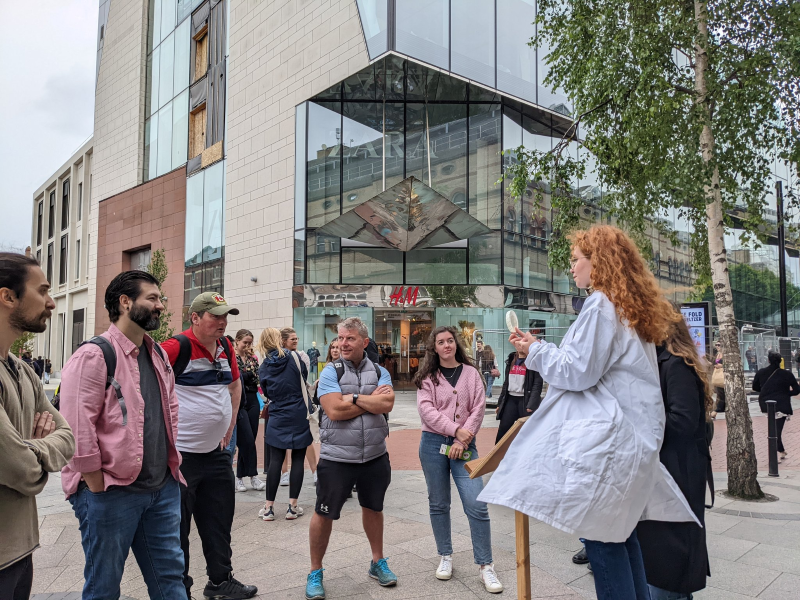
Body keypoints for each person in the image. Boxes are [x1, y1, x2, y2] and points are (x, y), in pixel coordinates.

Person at [479, 225, 698, 600]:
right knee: (621, 536)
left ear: (599, 262)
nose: (572, 268)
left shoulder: (601, 303)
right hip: (633, 442)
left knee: (603, 541)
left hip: (609, 446)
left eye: (577, 260)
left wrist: (535, 350)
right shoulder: (629, 307)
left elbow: (577, 370)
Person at [60, 271, 185, 598]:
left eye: (161, 299)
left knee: (171, 579)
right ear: (125, 302)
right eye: (153, 298)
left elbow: (169, 408)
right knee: (104, 586)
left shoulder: (157, 353)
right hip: (112, 493)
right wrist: (96, 484)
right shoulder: (94, 354)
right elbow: (75, 427)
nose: (160, 305)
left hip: (161, 488)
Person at [161, 292, 257, 600]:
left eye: (225, 316)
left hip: (216, 455)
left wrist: (228, 425)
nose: (223, 322)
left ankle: (220, 581)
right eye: (215, 316)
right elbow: (142, 386)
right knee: (178, 531)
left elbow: (234, 384)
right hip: (181, 458)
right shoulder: (177, 347)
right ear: (195, 318)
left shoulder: (226, 345)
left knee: (218, 522)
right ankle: (180, 590)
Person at [0, 253, 74, 599]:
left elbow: (67, 436)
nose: (51, 302)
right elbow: (21, 469)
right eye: (42, 290)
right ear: (8, 296)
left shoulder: (23, 370)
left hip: (21, 550)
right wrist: (33, 454)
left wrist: (27, 447)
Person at [306, 317, 396, 600]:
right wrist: (368, 401)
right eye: (340, 338)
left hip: (374, 455)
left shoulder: (381, 371)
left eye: (350, 338)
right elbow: (333, 411)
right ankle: (315, 571)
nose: (343, 343)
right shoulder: (330, 371)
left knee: (373, 508)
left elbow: (388, 403)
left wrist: (352, 398)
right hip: (336, 458)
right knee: (324, 513)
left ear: (364, 342)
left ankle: (377, 561)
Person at [414, 326, 504, 592]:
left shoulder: (471, 373)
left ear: (457, 344)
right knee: (438, 502)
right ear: (435, 347)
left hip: (465, 446)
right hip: (432, 445)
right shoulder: (427, 376)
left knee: (476, 503)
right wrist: (454, 430)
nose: (446, 345)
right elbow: (426, 410)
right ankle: (445, 555)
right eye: (441, 342)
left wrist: (460, 440)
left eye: (450, 341)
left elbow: (477, 409)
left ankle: (486, 565)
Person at [636, 314, 713, 599]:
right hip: (667, 472)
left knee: (669, 565)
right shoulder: (659, 359)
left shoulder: (675, 361)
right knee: (663, 562)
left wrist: (637, 419)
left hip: (677, 475)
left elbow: (682, 420)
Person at [256, 328, 311, 521]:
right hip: (297, 412)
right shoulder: (294, 358)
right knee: (298, 458)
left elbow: (266, 391)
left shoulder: (263, 366)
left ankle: (269, 507)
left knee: (275, 461)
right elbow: (303, 378)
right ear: (278, 340)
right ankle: (292, 506)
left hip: (277, 413)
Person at [233, 329, 265, 493]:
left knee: (250, 438)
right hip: (239, 400)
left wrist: (246, 376)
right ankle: (251, 476)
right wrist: (246, 375)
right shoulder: (232, 357)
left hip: (252, 399)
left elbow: (256, 377)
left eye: (249, 343)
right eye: (244, 342)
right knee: (245, 439)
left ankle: (240, 477)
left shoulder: (253, 358)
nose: (247, 345)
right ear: (237, 341)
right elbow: (236, 377)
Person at [753, 350, 798, 463]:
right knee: (777, 431)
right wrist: (786, 393)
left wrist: (764, 391)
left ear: (768, 360)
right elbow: (797, 390)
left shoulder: (761, 372)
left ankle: (780, 451)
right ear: (780, 361)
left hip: (766, 404)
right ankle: (776, 454)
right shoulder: (787, 374)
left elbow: (755, 387)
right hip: (782, 404)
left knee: (773, 429)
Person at [307, 340, 342, 484]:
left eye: (337, 348)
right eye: (332, 348)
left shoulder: (345, 366)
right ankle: (326, 474)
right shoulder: (328, 366)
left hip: (339, 407)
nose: (335, 350)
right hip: (326, 409)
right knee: (328, 442)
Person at [495, 342, 544, 443]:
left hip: (525, 401)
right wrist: (500, 403)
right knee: (504, 429)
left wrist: (531, 404)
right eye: (518, 343)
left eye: (523, 343)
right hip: (510, 400)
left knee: (527, 432)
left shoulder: (534, 361)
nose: (520, 345)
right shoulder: (511, 359)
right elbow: (506, 383)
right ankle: (497, 456)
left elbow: (537, 384)